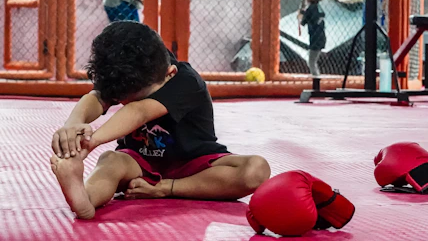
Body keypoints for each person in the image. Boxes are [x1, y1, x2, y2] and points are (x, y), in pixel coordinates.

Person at [50, 21, 270, 219]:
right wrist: (73, 125)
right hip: (139, 162)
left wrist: (90, 141)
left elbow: (139, 112)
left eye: (133, 99)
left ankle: (167, 186)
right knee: (111, 162)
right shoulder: (126, 71)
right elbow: (97, 97)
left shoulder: (185, 80)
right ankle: (84, 197)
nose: (124, 103)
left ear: (170, 73)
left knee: (255, 169)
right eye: (121, 100)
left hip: (194, 164)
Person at [297, 0, 329, 76]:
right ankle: (315, 77)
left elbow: (302, 22)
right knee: (312, 60)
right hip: (320, 37)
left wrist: (302, 10)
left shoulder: (311, 9)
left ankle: (316, 79)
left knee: (311, 62)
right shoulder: (318, 7)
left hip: (315, 39)